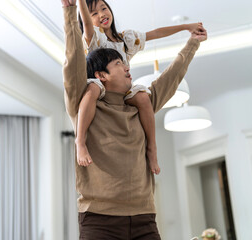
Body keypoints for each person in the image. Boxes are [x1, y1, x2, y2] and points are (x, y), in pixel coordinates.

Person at [61, 0, 207, 239]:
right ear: (101, 75)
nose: (127, 68)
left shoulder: (140, 104)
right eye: (118, 64)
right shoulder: (85, 102)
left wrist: (192, 43)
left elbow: (171, 78)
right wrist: (69, 13)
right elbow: (73, 60)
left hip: (145, 219)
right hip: (100, 221)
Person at [75, 0, 204, 175]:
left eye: (104, 8)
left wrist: (186, 27)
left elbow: (156, 33)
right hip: (101, 82)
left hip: (122, 88)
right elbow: (86, 23)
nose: (102, 14)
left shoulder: (127, 39)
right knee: (92, 90)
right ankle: (80, 141)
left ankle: (152, 148)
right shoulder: (94, 38)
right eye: (94, 14)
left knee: (143, 97)